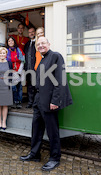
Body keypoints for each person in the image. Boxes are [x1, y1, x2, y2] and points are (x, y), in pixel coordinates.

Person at [20, 37, 73, 171]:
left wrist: (55, 100)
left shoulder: (55, 56)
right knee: (36, 129)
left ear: (49, 44)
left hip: (50, 101)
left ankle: (55, 158)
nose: (40, 46)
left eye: (43, 43)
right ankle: (34, 154)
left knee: (52, 131)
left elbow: (60, 80)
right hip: (39, 100)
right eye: (38, 44)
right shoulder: (43, 59)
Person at [0, 47, 13, 130]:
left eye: (3, 53)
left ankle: (4, 122)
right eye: (0, 53)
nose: (2, 55)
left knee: (5, 105)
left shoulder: (9, 63)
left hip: (6, 85)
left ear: (6, 54)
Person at [6, 36, 25, 109]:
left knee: (19, 88)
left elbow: (23, 61)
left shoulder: (19, 50)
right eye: (9, 41)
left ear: (14, 42)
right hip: (11, 72)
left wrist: (19, 71)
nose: (11, 42)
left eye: (12, 41)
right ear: (7, 43)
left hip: (20, 71)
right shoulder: (7, 51)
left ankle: (19, 102)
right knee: (13, 88)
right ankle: (14, 101)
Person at [23, 27, 36, 108]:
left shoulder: (38, 43)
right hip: (28, 69)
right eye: (29, 32)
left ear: (35, 32)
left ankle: (35, 103)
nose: (31, 33)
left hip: (35, 69)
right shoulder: (27, 44)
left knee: (36, 86)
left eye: (32, 32)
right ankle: (30, 102)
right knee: (29, 86)